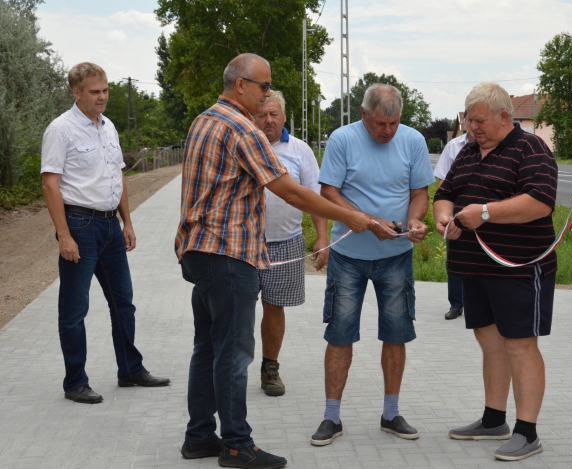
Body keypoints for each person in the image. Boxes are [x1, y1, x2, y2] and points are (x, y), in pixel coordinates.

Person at [175, 53, 372, 469]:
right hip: (229, 255)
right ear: (241, 85)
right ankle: (236, 445)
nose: (268, 94)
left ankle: (198, 437)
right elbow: (292, 191)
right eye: (264, 86)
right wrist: (352, 216)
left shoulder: (203, 120)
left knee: (207, 348)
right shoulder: (241, 127)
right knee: (233, 352)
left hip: (200, 251)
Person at [433, 82, 558, 462]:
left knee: (520, 345)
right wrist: (444, 219)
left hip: (518, 268)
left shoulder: (531, 148)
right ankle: (493, 419)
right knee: (490, 341)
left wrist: (484, 213)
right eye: (470, 121)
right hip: (473, 267)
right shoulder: (468, 150)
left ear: (506, 117)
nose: (473, 127)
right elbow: (445, 193)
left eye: (480, 120)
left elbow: (540, 202)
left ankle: (527, 431)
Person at [309, 84, 434, 446]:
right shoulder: (342, 139)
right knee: (339, 334)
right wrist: (366, 221)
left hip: (396, 257)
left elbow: (419, 193)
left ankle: (391, 414)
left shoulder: (413, 141)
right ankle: (331, 417)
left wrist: (414, 221)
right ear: (363, 114)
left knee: (396, 334)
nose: (388, 131)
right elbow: (328, 192)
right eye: (381, 124)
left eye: (394, 123)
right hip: (348, 256)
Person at [40, 62, 171, 405]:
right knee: (74, 309)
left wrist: (127, 222)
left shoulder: (108, 126)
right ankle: (75, 382)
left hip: (111, 226)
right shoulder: (61, 130)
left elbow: (118, 176)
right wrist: (64, 235)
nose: (102, 97)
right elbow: (50, 183)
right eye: (95, 92)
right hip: (80, 227)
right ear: (76, 91)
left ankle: (130, 369)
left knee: (123, 302)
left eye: (106, 90)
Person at [252, 90, 329, 397]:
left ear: (284, 117)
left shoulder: (299, 150)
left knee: (274, 308)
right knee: (236, 310)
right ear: (253, 116)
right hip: (242, 244)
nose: (268, 120)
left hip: (285, 243)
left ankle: (270, 368)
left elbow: (314, 197)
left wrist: (322, 236)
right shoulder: (242, 145)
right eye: (262, 114)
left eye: (274, 114)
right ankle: (230, 367)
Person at [433, 117, 473, 320]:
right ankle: (456, 304)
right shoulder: (453, 146)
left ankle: (480, 304)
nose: (474, 124)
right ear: (465, 120)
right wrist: (445, 214)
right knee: (455, 260)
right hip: (456, 214)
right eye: (470, 119)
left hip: (486, 215)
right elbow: (442, 183)